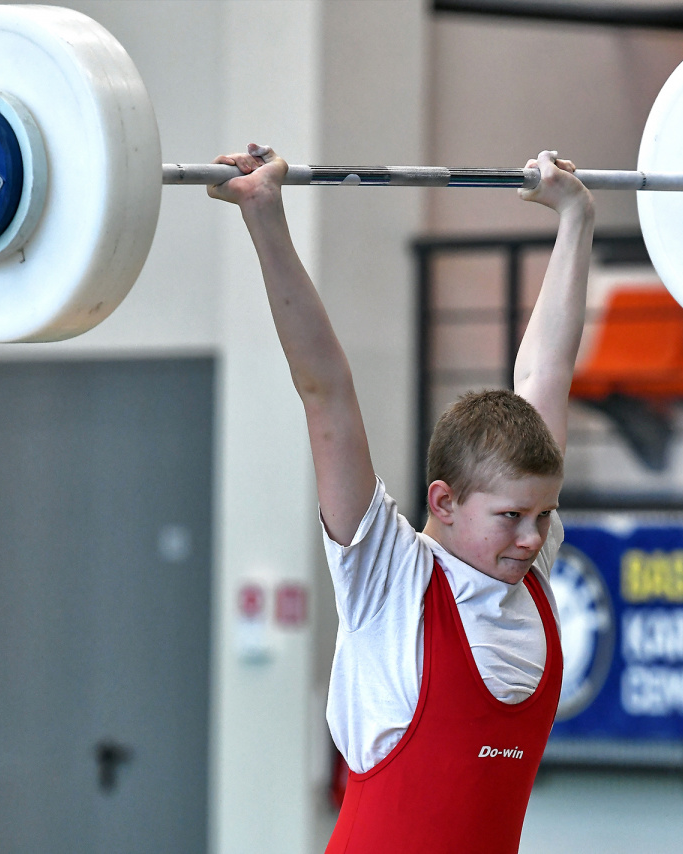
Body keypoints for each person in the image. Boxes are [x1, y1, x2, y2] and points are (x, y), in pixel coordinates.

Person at [209, 144, 593, 854]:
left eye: (542, 516)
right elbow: (325, 389)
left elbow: (547, 371)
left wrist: (575, 219)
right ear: (443, 502)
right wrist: (265, 215)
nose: (535, 538)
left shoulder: (528, 574)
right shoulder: (389, 575)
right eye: (512, 519)